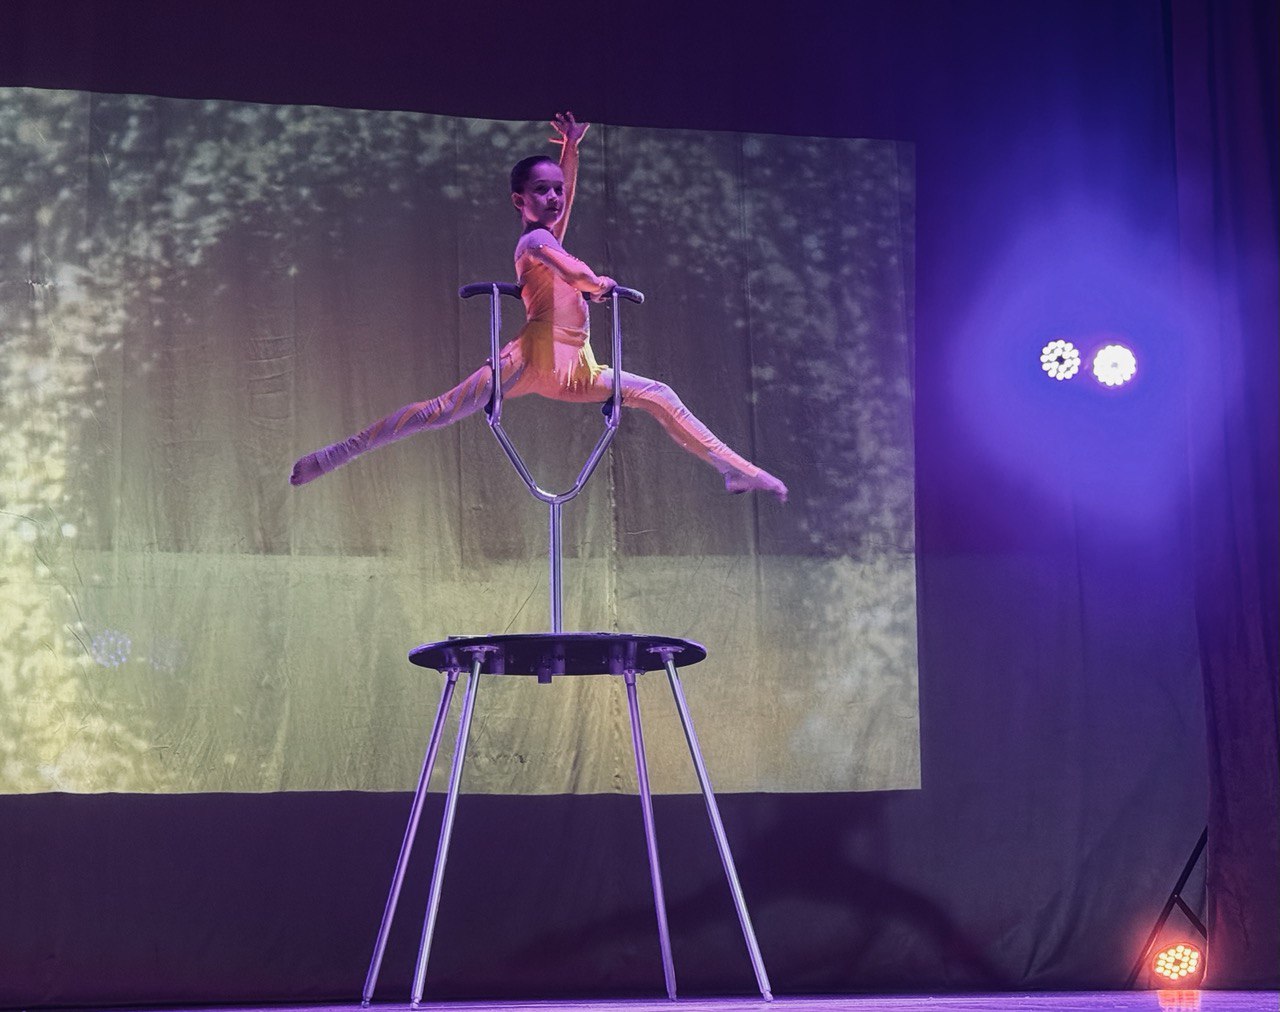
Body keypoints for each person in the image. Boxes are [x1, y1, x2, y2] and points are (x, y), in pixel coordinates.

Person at [290, 112, 787, 501]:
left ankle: (734, 470)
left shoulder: (550, 234)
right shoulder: (534, 244)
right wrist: (598, 283)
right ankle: (334, 455)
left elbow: (565, 208)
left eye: (557, 190)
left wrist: (571, 147)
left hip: (577, 370)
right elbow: (576, 274)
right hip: (530, 359)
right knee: (439, 411)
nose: (553, 197)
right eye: (540, 191)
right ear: (518, 200)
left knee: (658, 394)